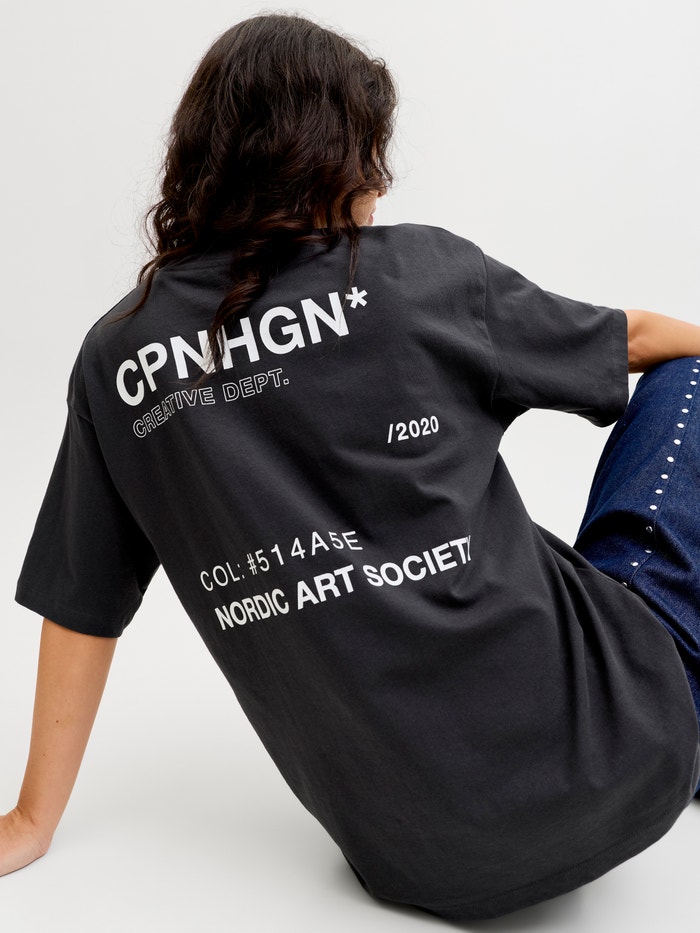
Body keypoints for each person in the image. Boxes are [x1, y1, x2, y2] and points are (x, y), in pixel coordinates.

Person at [1, 12, 699, 922]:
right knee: (691, 378)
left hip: (419, 861)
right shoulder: (419, 276)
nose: (381, 179)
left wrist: (32, 817)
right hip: (635, 752)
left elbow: (80, 601)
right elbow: (636, 340)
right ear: (330, 154)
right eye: (370, 149)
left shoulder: (119, 361)